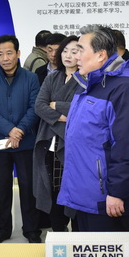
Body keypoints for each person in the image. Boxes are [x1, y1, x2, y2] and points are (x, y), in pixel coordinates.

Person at [58, 25, 129, 232]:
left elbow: (127, 145)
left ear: (100, 55)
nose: (76, 56)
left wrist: (117, 192)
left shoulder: (124, 89)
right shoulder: (90, 83)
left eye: (80, 50)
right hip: (82, 193)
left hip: (104, 198)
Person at [0, 34, 41, 243]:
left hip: (26, 142)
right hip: (0, 144)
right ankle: (3, 229)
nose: (5, 58)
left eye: (9, 53)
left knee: (28, 187)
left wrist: (20, 130)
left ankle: (31, 229)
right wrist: (9, 129)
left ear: (18, 53)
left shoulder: (31, 78)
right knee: (3, 188)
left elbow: (34, 107)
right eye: (0, 54)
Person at [33, 35, 81, 232]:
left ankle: (75, 234)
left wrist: (56, 105)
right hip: (49, 141)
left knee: (73, 188)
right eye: (65, 51)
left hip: (73, 143)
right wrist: (63, 117)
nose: (68, 55)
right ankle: (58, 230)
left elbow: (82, 109)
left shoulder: (86, 80)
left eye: (74, 51)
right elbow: (39, 105)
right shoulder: (52, 77)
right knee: (52, 188)